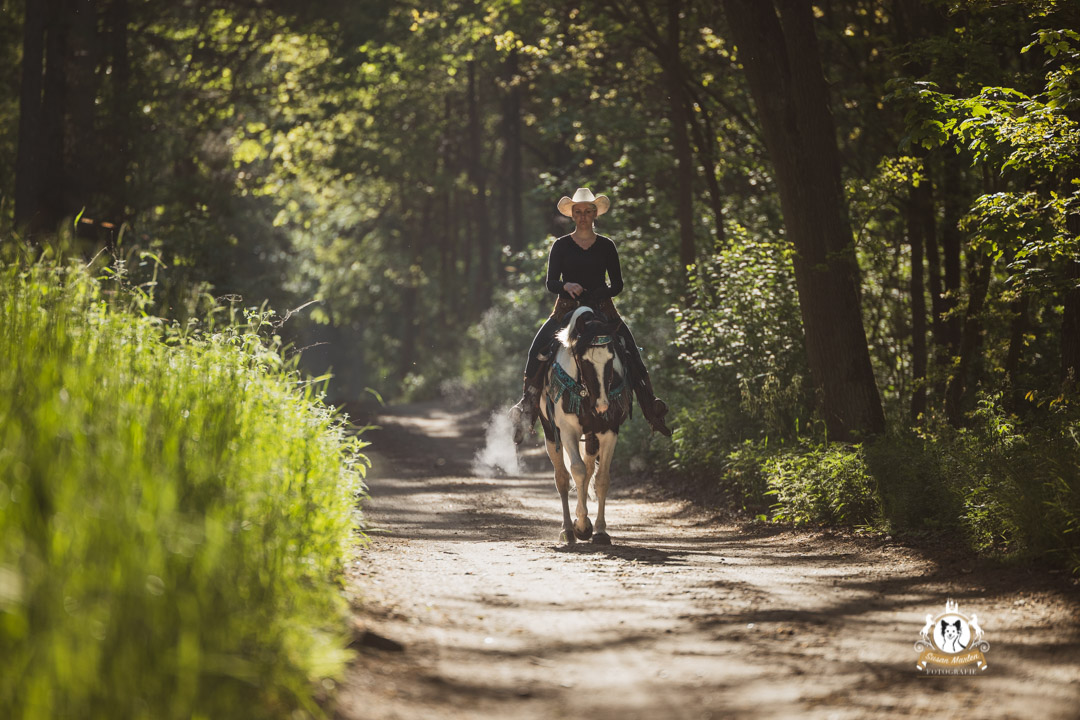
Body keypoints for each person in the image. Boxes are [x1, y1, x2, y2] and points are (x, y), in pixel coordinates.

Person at [509, 187, 672, 443]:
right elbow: (550, 282)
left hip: (602, 309)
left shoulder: (607, 246)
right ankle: (527, 407)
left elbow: (618, 284)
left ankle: (651, 407)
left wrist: (600, 292)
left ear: (595, 214)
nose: (583, 216)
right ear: (572, 215)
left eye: (587, 211)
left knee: (631, 351)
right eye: (578, 212)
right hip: (566, 310)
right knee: (536, 350)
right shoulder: (560, 245)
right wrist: (566, 286)